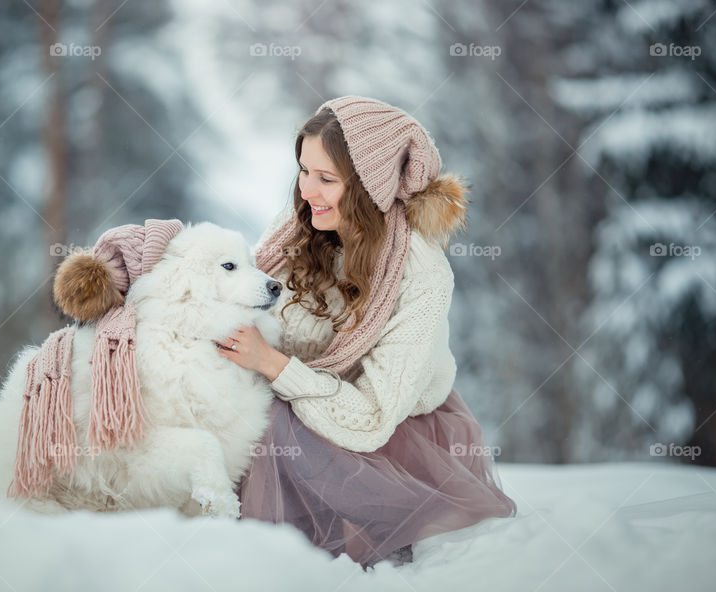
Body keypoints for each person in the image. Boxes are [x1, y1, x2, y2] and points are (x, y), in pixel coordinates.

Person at [213, 96, 517, 569]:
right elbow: (244, 298)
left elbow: (373, 415)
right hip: (298, 398)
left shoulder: (420, 273)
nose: (307, 191)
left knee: (271, 422)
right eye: (304, 171)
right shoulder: (298, 229)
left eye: (327, 179)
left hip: (383, 435)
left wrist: (271, 364)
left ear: (367, 186)